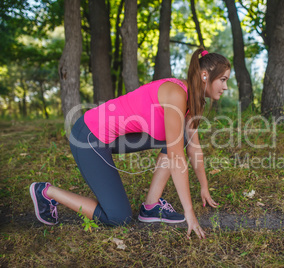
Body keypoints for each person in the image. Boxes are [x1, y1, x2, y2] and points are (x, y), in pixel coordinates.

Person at [29, 48, 231, 239]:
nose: (225, 87)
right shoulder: (176, 94)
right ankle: (46, 192)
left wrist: (204, 187)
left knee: (182, 137)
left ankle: (151, 207)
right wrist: (189, 212)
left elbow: (193, 146)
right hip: (89, 135)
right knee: (119, 218)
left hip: (111, 138)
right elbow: (177, 157)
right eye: (222, 80)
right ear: (205, 75)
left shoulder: (192, 101)